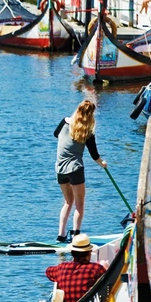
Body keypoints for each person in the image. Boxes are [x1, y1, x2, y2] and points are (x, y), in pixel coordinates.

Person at [54, 99, 107, 243]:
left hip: (60, 169)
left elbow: (55, 134)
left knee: (67, 202)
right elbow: (95, 155)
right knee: (79, 204)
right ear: (90, 115)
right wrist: (103, 164)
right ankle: (75, 236)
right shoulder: (87, 132)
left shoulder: (64, 122)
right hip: (75, 169)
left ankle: (61, 235)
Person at [45, 234, 106, 302]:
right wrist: (106, 267)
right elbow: (109, 281)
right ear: (89, 253)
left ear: (72, 253)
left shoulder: (62, 267)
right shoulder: (97, 269)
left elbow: (48, 271)